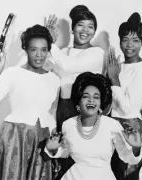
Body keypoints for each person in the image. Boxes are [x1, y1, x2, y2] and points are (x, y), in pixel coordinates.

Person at [0, 24, 60, 180]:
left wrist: (53, 139)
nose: (39, 55)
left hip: (42, 140)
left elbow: (51, 113)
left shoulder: (54, 79)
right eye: (33, 49)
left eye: (44, 49)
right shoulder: (13, 73)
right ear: (25, 49)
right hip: (14, 137)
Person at [44, 5, 106, 178]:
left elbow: (68, 66)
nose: (85, 30)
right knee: (60, 160)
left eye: (90, 26)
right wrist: (46, 42)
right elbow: (46, 68)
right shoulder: (63, 52)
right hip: (61, 109)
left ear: (94, 32)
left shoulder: (97, 53)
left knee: (80, 159)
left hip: (82, 110)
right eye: (80, 25)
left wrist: (52, 44)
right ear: (72, 29)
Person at [45, 72, 142, 180]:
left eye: (96, 97)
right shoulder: (68, 124)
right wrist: (53, 150)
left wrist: (136, 148)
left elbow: (126, 156)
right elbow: (66, 152)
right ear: (78, 102)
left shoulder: (111, 125)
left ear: (101, 103)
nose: (91, 100)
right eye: (86, 96)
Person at [105, 12, 142, 180]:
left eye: (135, 41)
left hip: (130, 127)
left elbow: (126, 108)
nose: (129, 45)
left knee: (127, 175)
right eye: (125, 39)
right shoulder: (117, 66)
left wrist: (113, 78)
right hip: (111, 125)